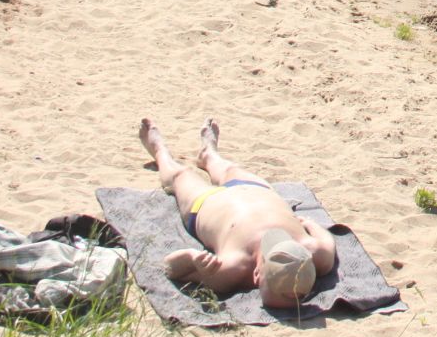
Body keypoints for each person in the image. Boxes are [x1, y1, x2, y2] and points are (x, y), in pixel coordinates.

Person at [138, 117, 336, 307]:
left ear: (256, 274)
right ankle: (208, 154)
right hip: (256, 190)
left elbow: (170, 268)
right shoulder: (317, 254)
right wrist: (312, 225)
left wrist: (191, 258)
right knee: (228, 168)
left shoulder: (233, 268)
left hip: (208, 205)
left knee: (180, 176)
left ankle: (159, 151)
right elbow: (327, 241)